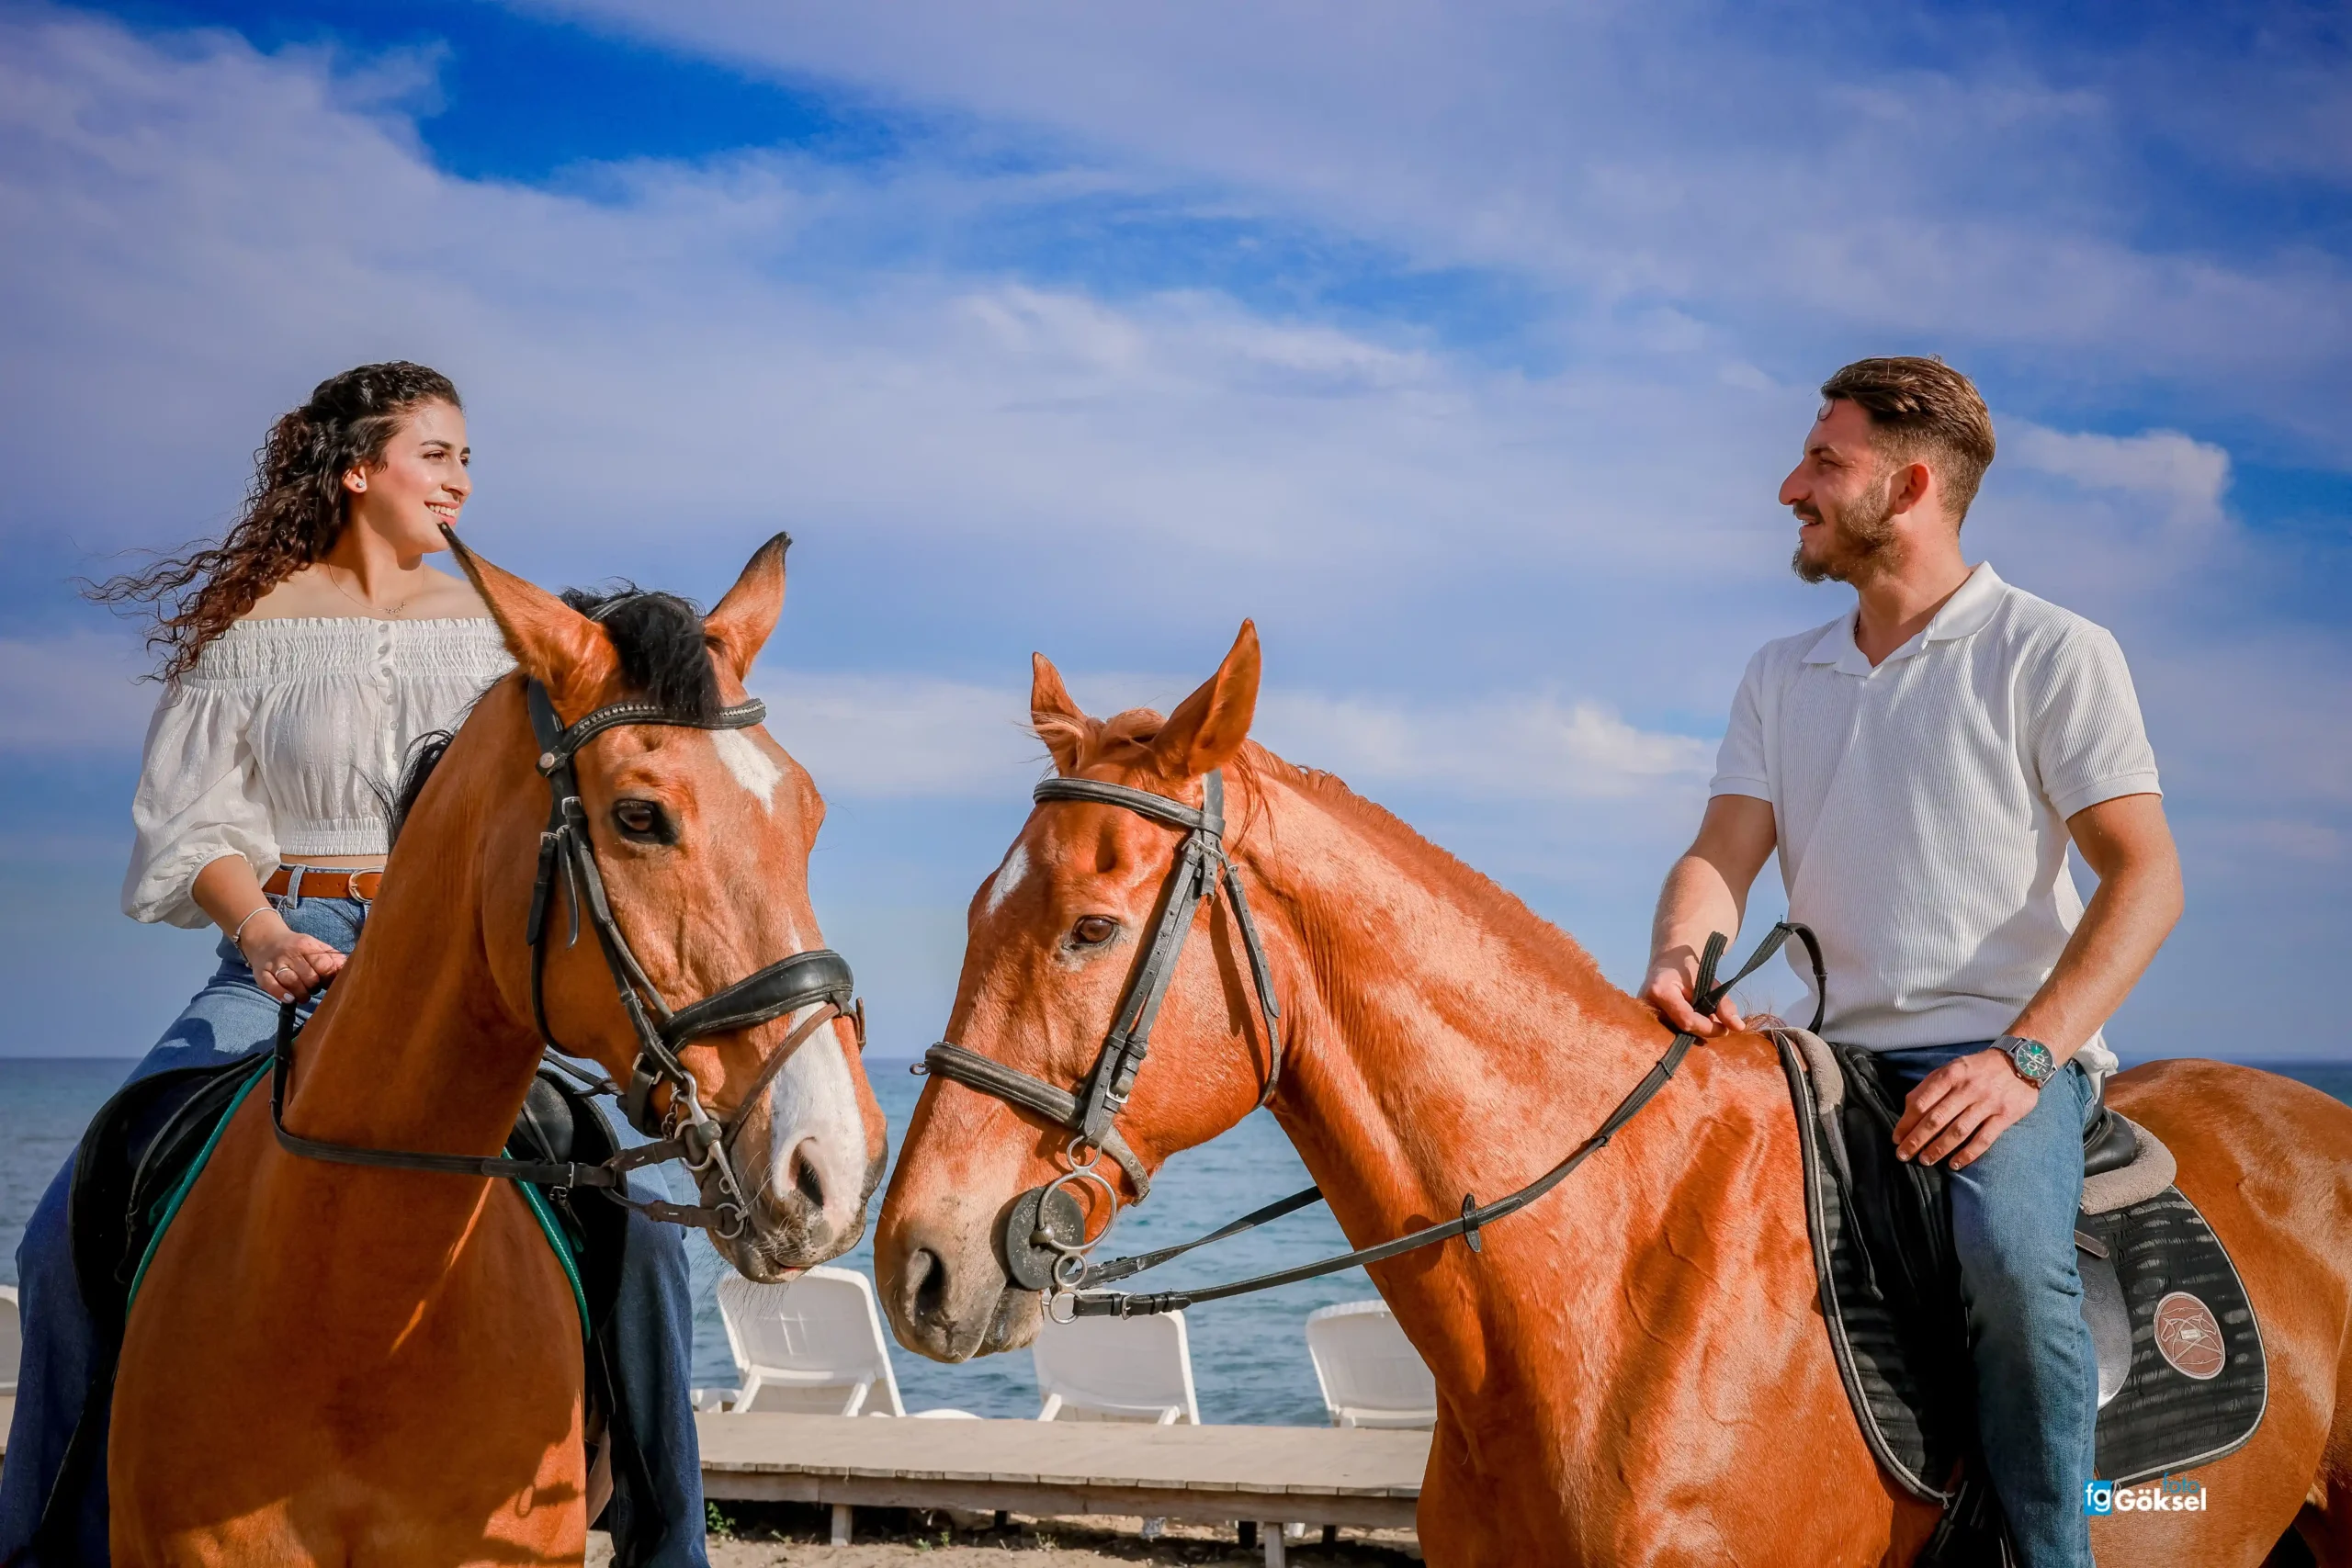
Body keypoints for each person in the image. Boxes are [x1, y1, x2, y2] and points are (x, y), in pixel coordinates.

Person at [0, 363, 708, 1566]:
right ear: (356, 467)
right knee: (69, 1214)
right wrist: (266, 933)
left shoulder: (497, 635)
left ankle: (667, 1539)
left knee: (638, 1229)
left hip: (460, 972)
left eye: (469, 458)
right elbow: (192, 830)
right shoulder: (252, 631)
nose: (462, 479)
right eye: (437, 453)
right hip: (280, 948)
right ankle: (46, 1536)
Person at [1641, 356, 2183, 1568]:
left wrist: (2026, 1059)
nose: (1793, 486)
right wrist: (1683, 953)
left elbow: (2147, 878)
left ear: (1913, 483)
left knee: (2002, 1258)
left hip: (1996, 1056)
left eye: (1824, 463)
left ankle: (2053, 1552)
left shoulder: (2051, 649)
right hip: (1814, 1052)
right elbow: (1720, 854)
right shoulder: (1782, 671)